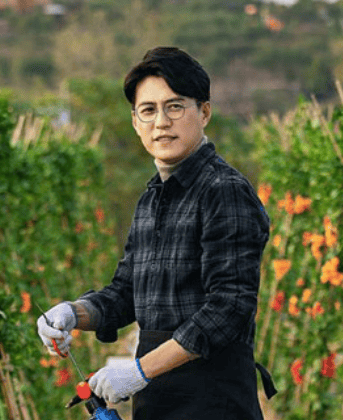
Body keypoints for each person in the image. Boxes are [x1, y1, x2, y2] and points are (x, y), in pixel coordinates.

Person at [37, 47, 276, 419]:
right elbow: (126, 294)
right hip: (158, 403)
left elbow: (229, 307)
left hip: (215, 402)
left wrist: (139, 370)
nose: (161, 121)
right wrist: (72, 313)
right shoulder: (152, 199)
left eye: (175, 106)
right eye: (148, 110)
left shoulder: (223, 190)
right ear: (135, 122)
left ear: (204, 112)